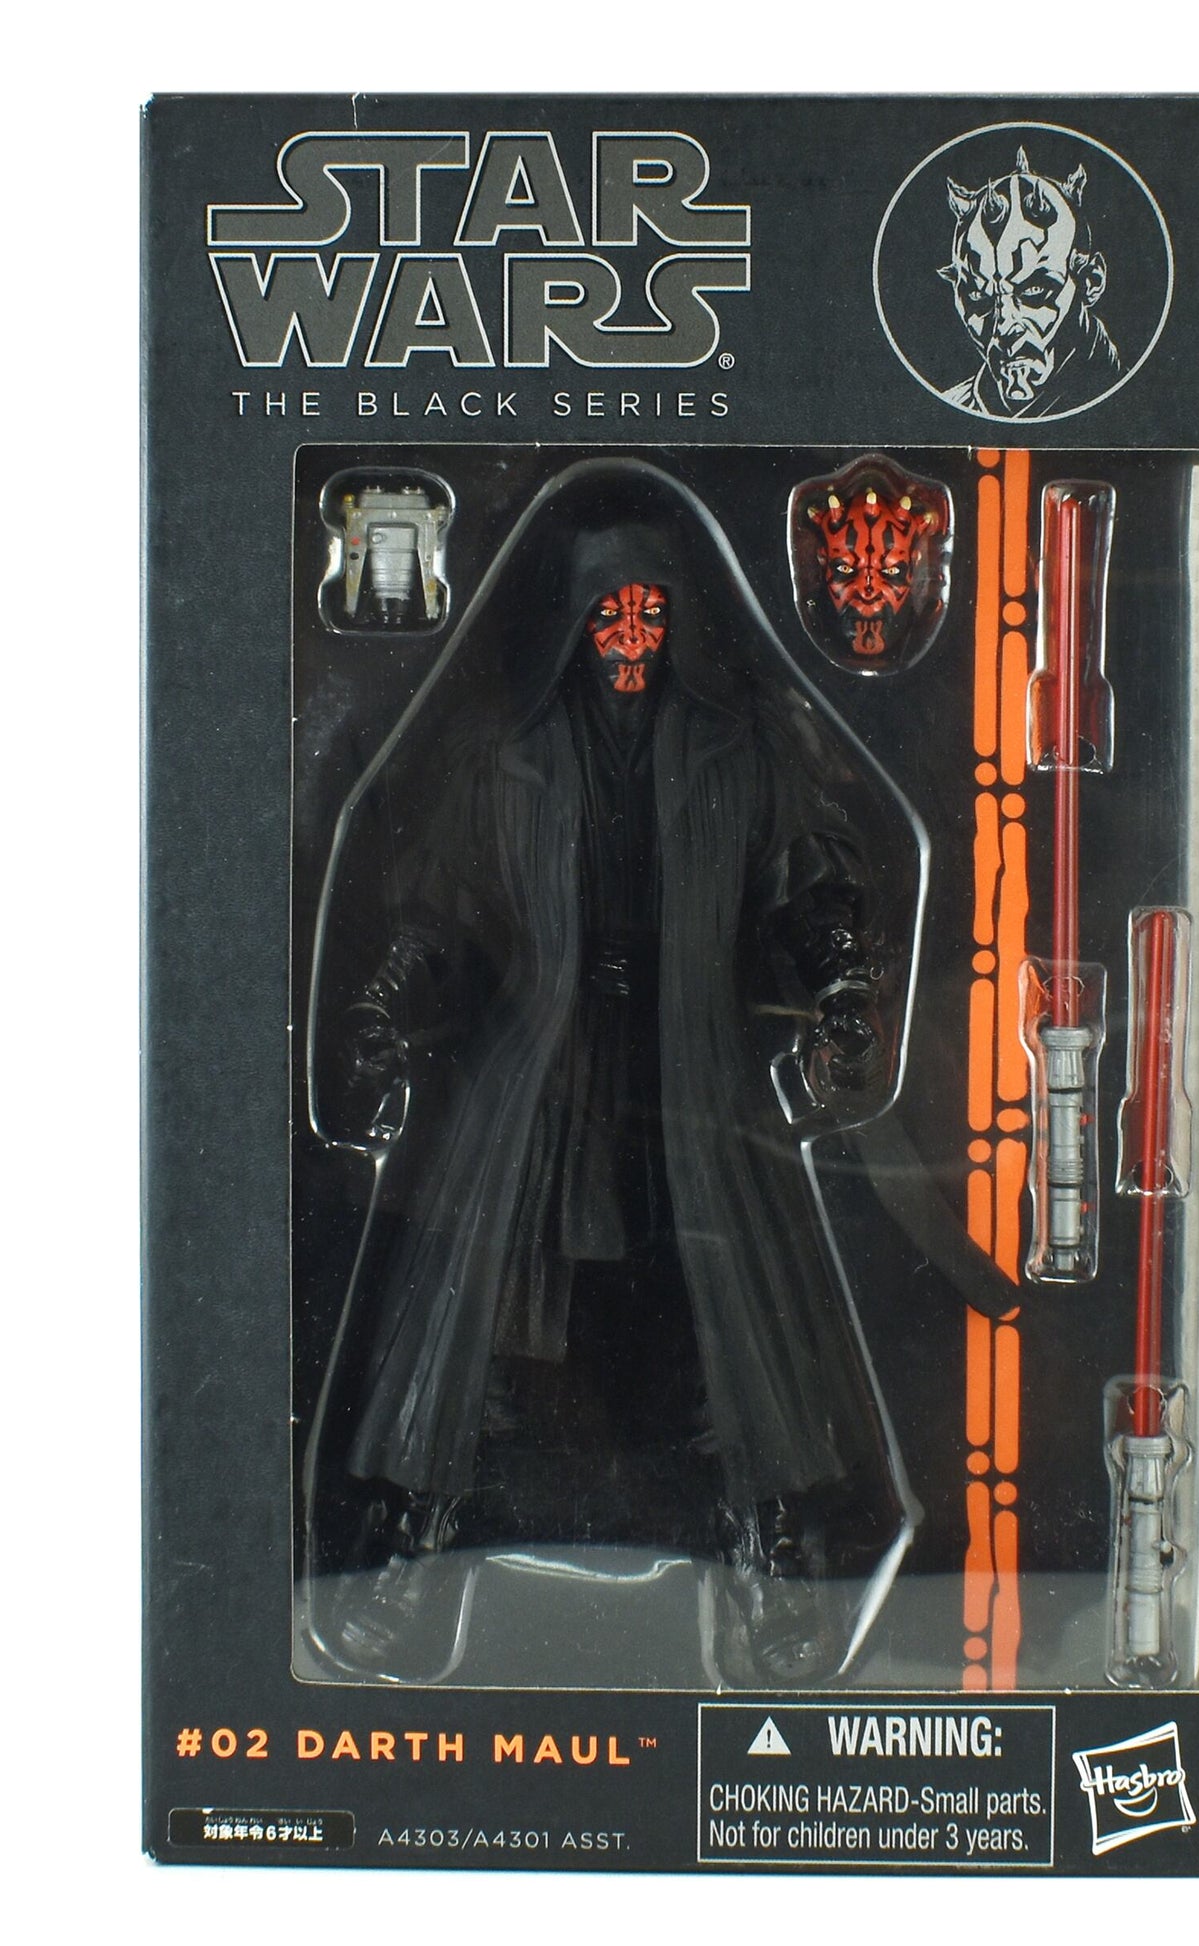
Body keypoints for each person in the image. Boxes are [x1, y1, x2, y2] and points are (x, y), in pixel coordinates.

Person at [303, 461, 915, 1683]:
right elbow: (438, 916)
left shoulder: (737, 747)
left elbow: (810, 885)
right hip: (537, 1069)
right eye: (609, 613)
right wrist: (381, 1009)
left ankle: (770, 1555)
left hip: (691, 1067)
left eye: (649, 612)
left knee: (735, 1320)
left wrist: (844, 983)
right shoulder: (509, 752)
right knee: (464, 1312)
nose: (630, 635)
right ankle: (403, 1546)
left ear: (675, 621)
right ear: (577, 624)